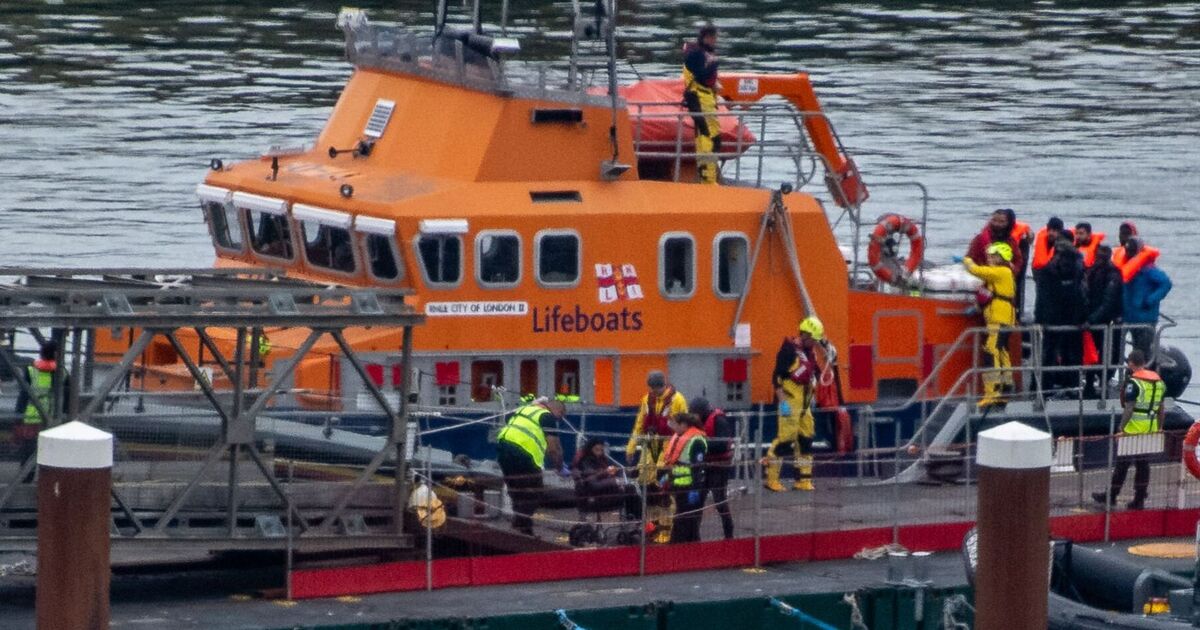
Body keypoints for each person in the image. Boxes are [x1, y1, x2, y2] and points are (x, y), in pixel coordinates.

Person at [1092, 350, 1164, 510]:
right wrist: (1159, 427)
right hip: (1150, 429)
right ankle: (1139, 499)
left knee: (1122, 464)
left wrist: (1121, 428)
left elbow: (1129, 408)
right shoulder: (1158, 382)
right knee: (1143, 465)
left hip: (1132, 430)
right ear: (1144, 362)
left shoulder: (1134, 382)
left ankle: (1111, 496)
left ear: (1131, 363)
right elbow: (1161, 408)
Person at [625, 371, 687, 542]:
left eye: (658, 388)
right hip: (650, 444)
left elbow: (684, 428)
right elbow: (639, 424)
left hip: (668, 446)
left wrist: (678, 451)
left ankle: (666, 530)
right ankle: (651, 526)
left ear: (664, 384)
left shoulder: (678, 400)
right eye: (653, 388)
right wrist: (631, 447)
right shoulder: (647, 400)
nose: (656, 391)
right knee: (646, 484)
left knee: (664, 488)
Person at [496, 399, 566, 536]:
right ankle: (523, 528)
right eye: (562, 415)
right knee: (535, 491)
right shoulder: (547, 416)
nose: (561, 419)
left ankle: (520, 526)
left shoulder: (524, 410)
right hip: (523, 453)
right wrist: (559, 466)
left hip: (503, 448)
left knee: (516, 489)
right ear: (558, 410)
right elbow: (553, 447)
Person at [767, 316, 822, 492]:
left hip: (804, 405)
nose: (814, 342)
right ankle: (772, 479)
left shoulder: (810, 352)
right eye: (813, 339)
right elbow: (777, 377)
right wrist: (782, 402)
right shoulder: (788, 351)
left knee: (806, 440)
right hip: (790, 402)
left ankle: (803, 480)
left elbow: (816, 373)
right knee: (785, 440)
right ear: (805, 335)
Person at [961, 243, 1017, 408]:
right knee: (1002, 352)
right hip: (1004, 318)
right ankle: (1005, 389)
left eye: (993, 256)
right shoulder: (1005, 272)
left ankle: (992, 393)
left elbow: (977, 271)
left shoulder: (1001, 272)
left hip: (999, 319)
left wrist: (967, 261)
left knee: (991, 352)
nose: (990, 259)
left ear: (1001, 258)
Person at [1035, 233, 1086, 394]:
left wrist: (1082, 317)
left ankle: (1068, 387)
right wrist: (1040, 319)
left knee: (1069, 354)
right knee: (1052, 354)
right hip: (1056, 319)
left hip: (1069, 319)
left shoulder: (1076, 271)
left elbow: (1083, 295)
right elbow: (1042, 298)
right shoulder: (1049, 272)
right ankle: (1048, 388)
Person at [13, 340, 69, 480]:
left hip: (31, 417)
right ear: (57, 355)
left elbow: (23, 396)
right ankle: (48, 481)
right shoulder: (62, 372)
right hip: (53, 418)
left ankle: (27, 478)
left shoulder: (31, 370)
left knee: (29, 452)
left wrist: (17, 418)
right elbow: (68, 397)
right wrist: (66, 415)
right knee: (50, 451)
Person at [691, 397, 735, 539]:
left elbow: (723, 444)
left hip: (719, 467)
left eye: (695, 413)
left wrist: (702, 445)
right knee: (698, 502)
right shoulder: (698, 423)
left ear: (702, 412)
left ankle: (729, 534)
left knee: (720, 501)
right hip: (704, 466)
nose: (693, 417)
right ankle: (694, 536)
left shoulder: (718, 421)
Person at [682, 24, 721, 184]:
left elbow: (707, 78)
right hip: (700, 99)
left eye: (714, 37)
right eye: (711, 37)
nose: (714, 40)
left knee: (712, 138)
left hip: (707, 99)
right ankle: (708, 179)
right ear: (704, 37)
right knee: (708, 137)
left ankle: (708, 176)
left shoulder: (704, 54)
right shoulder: (696, 54)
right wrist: (713, 65)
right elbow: (701, 76)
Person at [1082, 245, 1123, 397]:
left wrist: (1092, 319)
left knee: (1105, 354)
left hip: (1103, 322)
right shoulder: (1092, 271)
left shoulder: (1113, 275)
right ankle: (1090, 383)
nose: (1100, 257)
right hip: (1091, 319)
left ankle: (1102, 383)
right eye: (1099, 253)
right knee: (1092, 354)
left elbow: (1108, 302)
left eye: (1103, 254)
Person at [1121, 237, 1171, 359]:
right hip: (1127, 316)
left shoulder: (1149, 269)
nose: (1129, 254)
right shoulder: (1124, 268)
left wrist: (1150, 300)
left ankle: (1142, 374)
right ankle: (1129, 372)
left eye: (1132, 251)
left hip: (1145, 318)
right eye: (1127, 251)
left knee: (1143, 351)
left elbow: (1166, 284)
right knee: (1119, 348)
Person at [659, 413, 707, 543]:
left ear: (683, 425)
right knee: (685, 518)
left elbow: (697, 467)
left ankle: (679, 544)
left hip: (689, 486)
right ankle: (691, 544)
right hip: (679, 485)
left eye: (674, 424)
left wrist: (695, 489)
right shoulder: (679, 437)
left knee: (685, 518)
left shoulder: (696, 441)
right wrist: (667, 476)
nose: (672, 427)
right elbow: (676, 464)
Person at [572, 437, 641, 521]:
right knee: (629, 490)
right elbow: (593, 484)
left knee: (631, 489)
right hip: (593, 498)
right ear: (590, 449)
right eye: (596, 450)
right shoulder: (585, 462)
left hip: (604, 493)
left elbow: (617, 469)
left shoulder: (602, 459)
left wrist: (621, 474)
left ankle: (633, 518)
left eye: (601, 450)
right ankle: (636, 520)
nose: (599, 453)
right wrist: (615, 481)